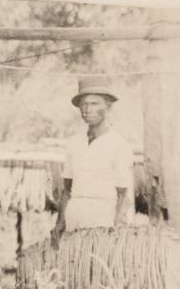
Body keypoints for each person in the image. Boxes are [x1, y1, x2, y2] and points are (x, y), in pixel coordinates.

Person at [57, 77, 134, 234]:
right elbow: (66, 190)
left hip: (103, 216)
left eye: (94, 103)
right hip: (75, 215)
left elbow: (123, 194)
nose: (87, 109)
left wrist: (118, 225)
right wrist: (59, 223)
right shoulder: (74, 143)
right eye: (83, 104)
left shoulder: (118, 144)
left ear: (108, 107)